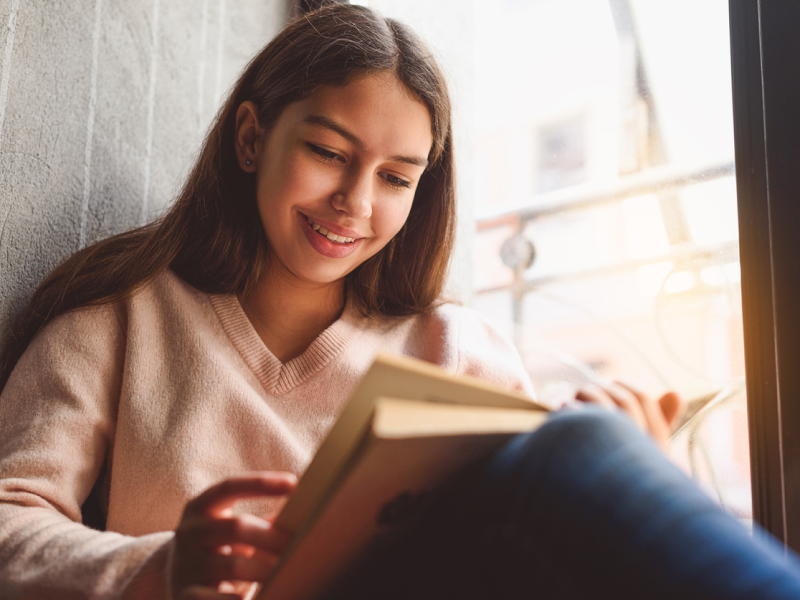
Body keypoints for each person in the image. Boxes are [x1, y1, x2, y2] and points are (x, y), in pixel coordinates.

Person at [0, 4, 799, 600]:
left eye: (395, 177)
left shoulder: (456, 347)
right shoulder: (119, 320)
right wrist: (160, 566)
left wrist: (634, 482)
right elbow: (11, 524)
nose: (354, 201)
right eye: (327, 152)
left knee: (583, 443)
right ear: (251, 138)